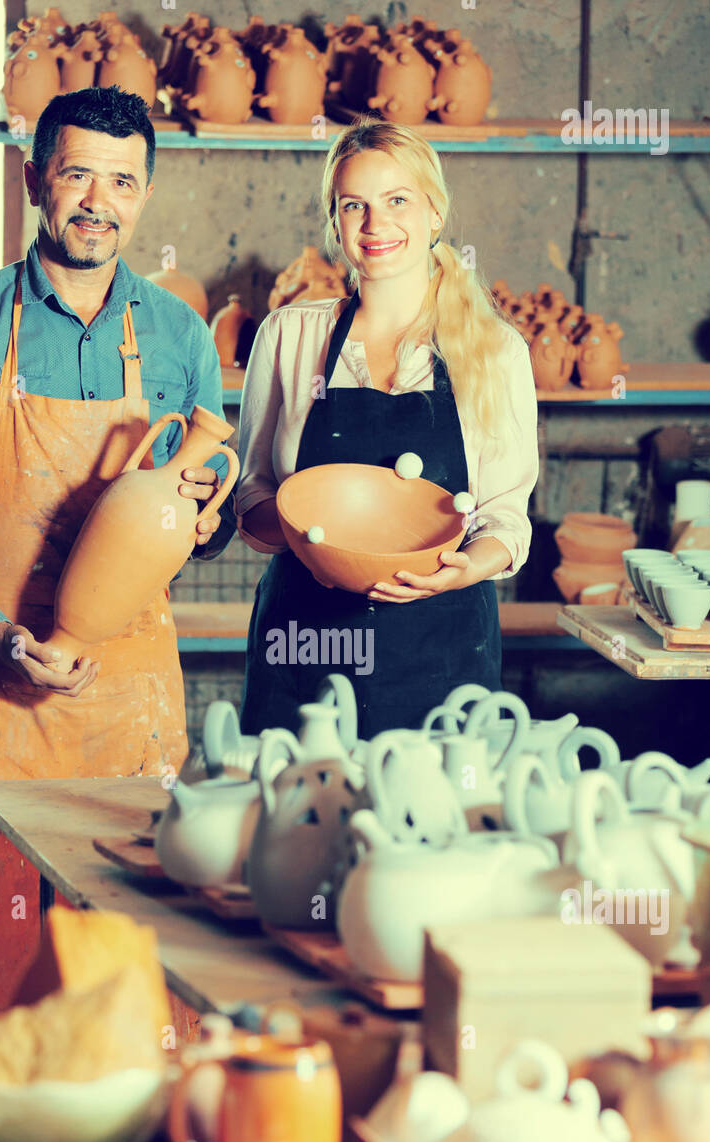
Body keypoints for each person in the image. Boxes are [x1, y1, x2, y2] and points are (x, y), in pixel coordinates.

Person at [0, 87, 230, 1142]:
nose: (100, 202)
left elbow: (209, 497)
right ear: (38, 178)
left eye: (123, 181)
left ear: (146, 194)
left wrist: (202, 504)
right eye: (78, 175)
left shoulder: (178, 337)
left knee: (125, 972)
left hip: (129, 692)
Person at [234, 119, 538, 738]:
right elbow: (252, 494)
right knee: (298, 825)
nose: (375, 225)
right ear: (335, 220)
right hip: (306, 643)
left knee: (430, 825)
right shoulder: (290, 337)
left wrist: (467, 567)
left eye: (397, 200)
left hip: (441, 646)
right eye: (355, 206)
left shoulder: (494, 350)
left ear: (434, 212)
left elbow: (506, 516)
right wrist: (312, 544)